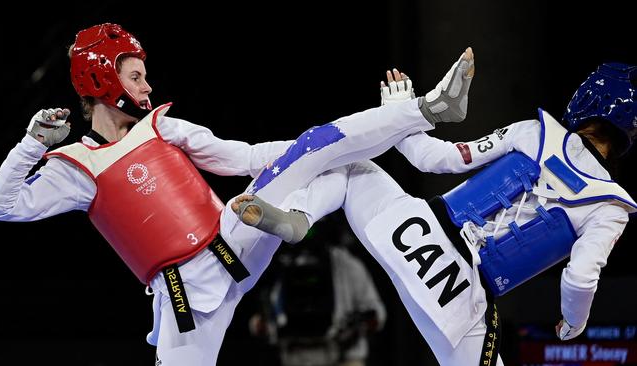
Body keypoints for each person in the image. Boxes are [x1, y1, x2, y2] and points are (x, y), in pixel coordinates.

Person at [0, 23, 475, 365]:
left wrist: (307, 151)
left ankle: (427, 110)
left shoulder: (164, 127)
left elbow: (242, 157)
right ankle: (298, 216)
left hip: (234, 236)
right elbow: (1, 205)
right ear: (101, 79)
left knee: (335, 159)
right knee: (333, 165)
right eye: (135, 75)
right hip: (183, 302)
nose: (147, 85)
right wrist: (32, 145)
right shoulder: (77, 166)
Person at [232, 62, 637, 365]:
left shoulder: (535, 132)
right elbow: (581, 279)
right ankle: (300, 218)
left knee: (351, 165)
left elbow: (434, 158)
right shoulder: (611, 205)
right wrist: (573, 325)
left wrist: (400, 111)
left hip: (412, 228)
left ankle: (300, 217)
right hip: (460, 294)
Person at [249, 219, 386, 366]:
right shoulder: (278, 264)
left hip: (342, 356)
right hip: (295, 356)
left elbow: (378, 315)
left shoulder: (346, 264)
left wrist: (360, 321)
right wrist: (265, 324)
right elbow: (257, 323)